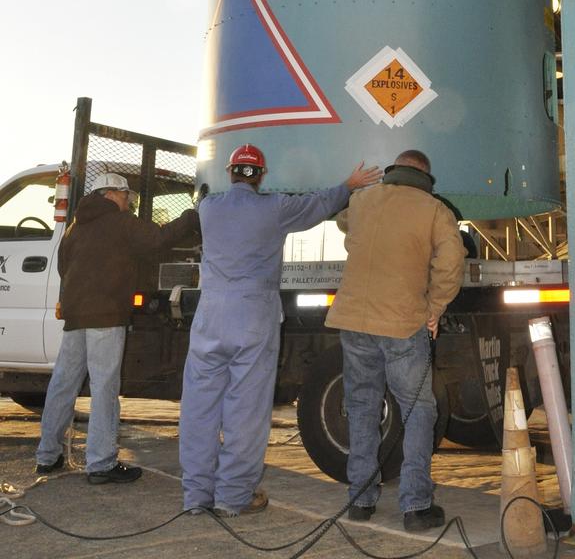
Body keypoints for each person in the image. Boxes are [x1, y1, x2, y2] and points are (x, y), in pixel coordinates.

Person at [179, 143, 382, 518]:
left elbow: (201, 204)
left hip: (210, 315)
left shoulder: (208, 209)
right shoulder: (273, 209)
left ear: (229, 173)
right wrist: (347, 185)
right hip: (252, 316)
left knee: (199, 407)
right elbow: (318, 205)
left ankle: (195, 497)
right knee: (246, 410)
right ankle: (232, 497)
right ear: (260, 176)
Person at [326, 149, 465, 532]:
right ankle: (416, 506)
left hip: (354, 321)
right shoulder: (435, 210)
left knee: (362, 406)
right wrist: (434, 308)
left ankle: (360, 500)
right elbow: (452, 263)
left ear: (394, 170)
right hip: (403, 323)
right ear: (426, 175)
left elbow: (343, 223)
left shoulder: (362, 200)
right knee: (419, 409)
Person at [35, 171, 200, 483]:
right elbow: (158, 239)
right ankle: (100, 463)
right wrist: (190, 218)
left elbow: (62, 266)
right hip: (107, 316)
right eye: (126, 195)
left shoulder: (75, 227)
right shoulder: (121, 223)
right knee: (105, 389)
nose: (129, 202)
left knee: (63, 385)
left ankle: (47, 456)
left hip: (75, 318)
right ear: (111, 193)